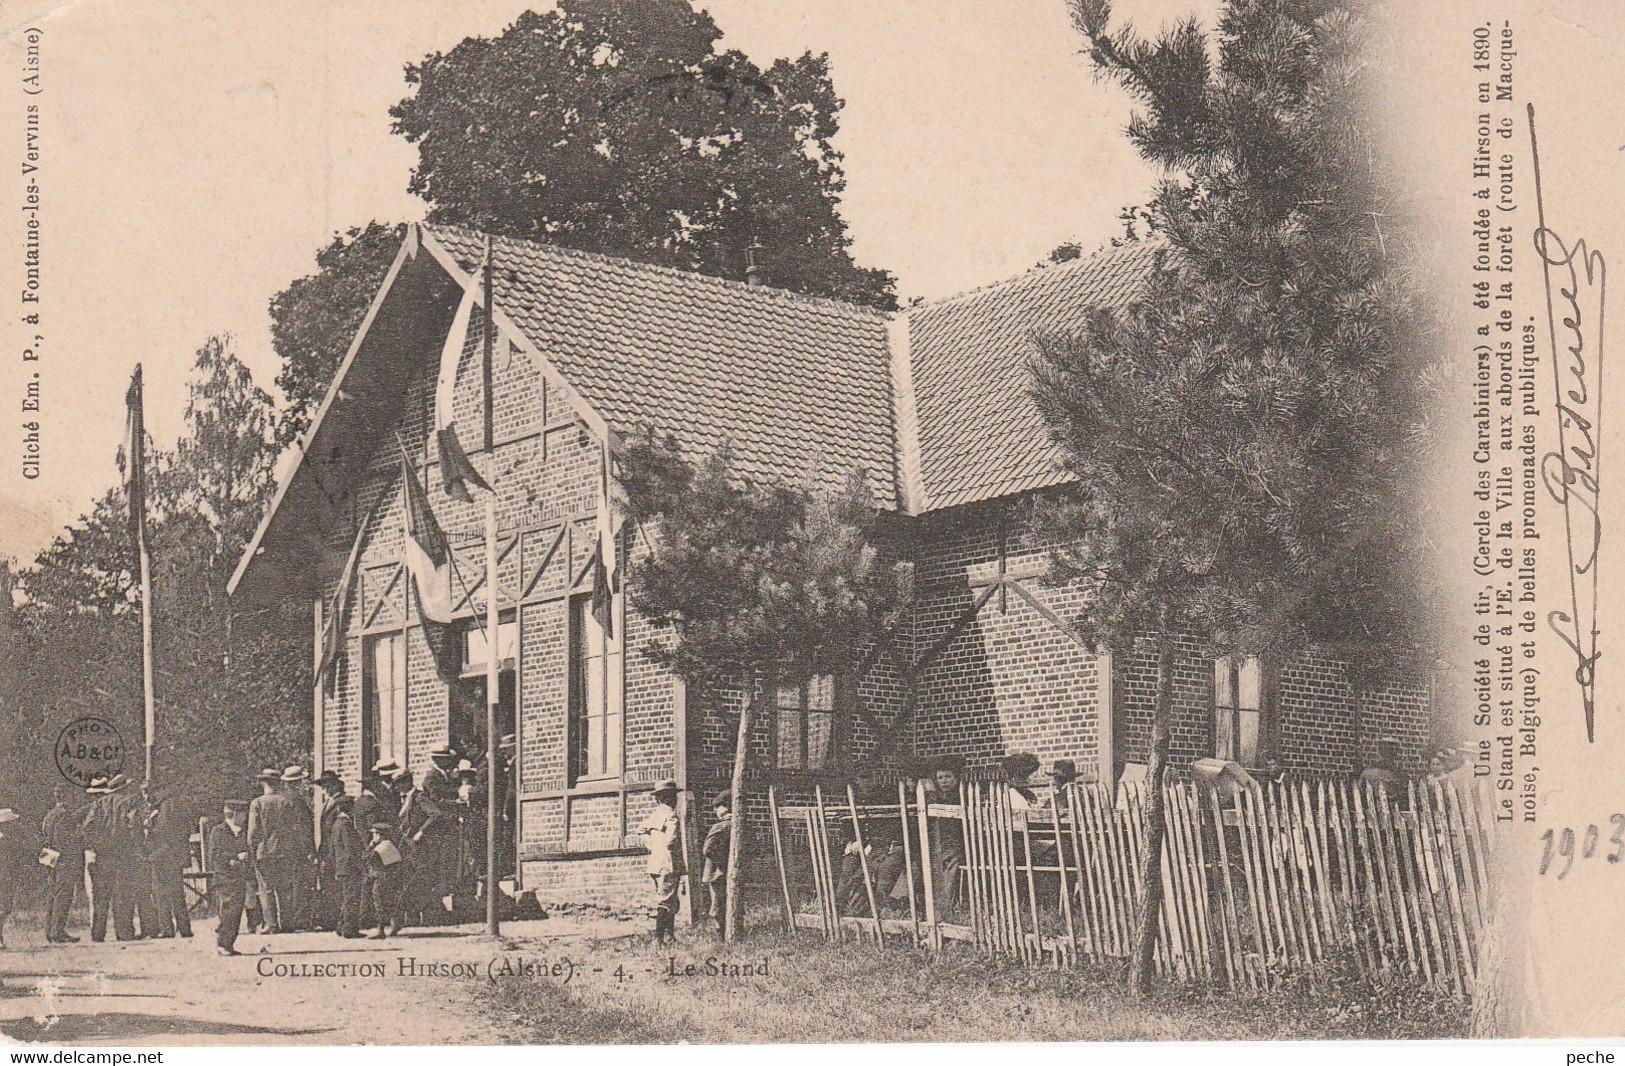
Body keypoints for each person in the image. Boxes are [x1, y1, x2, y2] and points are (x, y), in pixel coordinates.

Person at [248, 766, 314, 932]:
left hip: (264, 852)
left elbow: (253, 832)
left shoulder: (257, 803)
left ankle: (271, 924)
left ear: (263, 783)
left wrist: (252, 850)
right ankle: (288, 923)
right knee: (285, 888)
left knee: (266, 889)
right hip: (285, 852)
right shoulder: (287, 802)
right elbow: (295, 829)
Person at [634, 779, 684, 944]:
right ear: (670, 798)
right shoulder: (671, 815)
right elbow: (672, 840)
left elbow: (641, 831)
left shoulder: (654, 815)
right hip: (668, 864)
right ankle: (659, 939)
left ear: (657, 799)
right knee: (666, 901)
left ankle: (669, 937)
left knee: (665, 899)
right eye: (673, 797)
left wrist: (652, 845)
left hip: (655, 864)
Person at [142, 782, 193, 938]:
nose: (145, 797)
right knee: (176, 892)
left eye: (146, 793)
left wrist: (147, 826)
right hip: (172, 854)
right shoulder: (173, 803)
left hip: (163, 854)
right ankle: (184, 928)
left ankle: (167, 929)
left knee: (160, 892)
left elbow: (164, 830)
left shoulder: (164, 807)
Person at [208, 800, 254, 956]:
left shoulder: (242, 832)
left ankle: (228, 944)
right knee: (229, 910)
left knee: (236, 910)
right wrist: (233, 858)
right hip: (224, 877)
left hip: (239, 877)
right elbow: (215, 854)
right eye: (242, 814)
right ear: (234, 815)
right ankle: (223, 943)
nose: (245, 817)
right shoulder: (218, 831)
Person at [40, 785, 84, 943]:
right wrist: (79, 837)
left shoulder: (50, 815)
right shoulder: (64, 815)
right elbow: (64, 839)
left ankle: (50, 930)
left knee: (53, 894)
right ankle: (57, 932)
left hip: (50, 858)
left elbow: (45, 835)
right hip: (64, 859)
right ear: (66, 797)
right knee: (63, 895)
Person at [327, 796, 366, 939]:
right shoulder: (346, 824)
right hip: (350, 867)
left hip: (342, 866)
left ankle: (341, 925)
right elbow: (352, 848)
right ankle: (350, 929)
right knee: (352, 898)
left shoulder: (336, 824)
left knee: (347, 897)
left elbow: (332, 848)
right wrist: (361, 865)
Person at [313, 770, 346, 931]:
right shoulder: (329, 802)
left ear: (334, 786)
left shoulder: (341, 802)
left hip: (334, 850)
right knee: (327, 884)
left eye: (327, 786)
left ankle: (334, 920)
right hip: (326, 849)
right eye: (323, 787)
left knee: (334, 885)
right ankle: (329, 919)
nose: (324, 790)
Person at [365, 821, 406, 939]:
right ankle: (395, 924)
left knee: (379, 904)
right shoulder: (391, 846)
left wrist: (371, 845)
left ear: (380, 835)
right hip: (392, 878)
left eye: (375, 834)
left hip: (381, 879)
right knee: (391, 902)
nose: (373, 837)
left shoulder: (380, 848)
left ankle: (380, 930)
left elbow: (366, 857)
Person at [700, 790, 731, 936]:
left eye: (718, 806)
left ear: (727, 807)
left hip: (717, 872)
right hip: (729, 871)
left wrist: (722, 862)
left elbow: (707, 849)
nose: (715, 810)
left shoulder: (720, 827)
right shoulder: (741, 824)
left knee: (718, 903)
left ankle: (721, 934)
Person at [0, 808, 23, 949]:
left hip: (6, 877)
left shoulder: (9, 840)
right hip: (4, 877)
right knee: (3, 908)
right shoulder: (5, 841)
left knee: (5, 908)